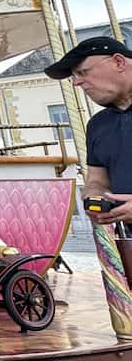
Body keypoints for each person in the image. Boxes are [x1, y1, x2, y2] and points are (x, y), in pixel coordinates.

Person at [45, 37, 132, 224]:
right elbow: (97, 180)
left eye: (83, 72)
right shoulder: (98, 124)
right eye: (74, 76)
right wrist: (95, 195)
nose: (76, 82)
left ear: (118, 62)